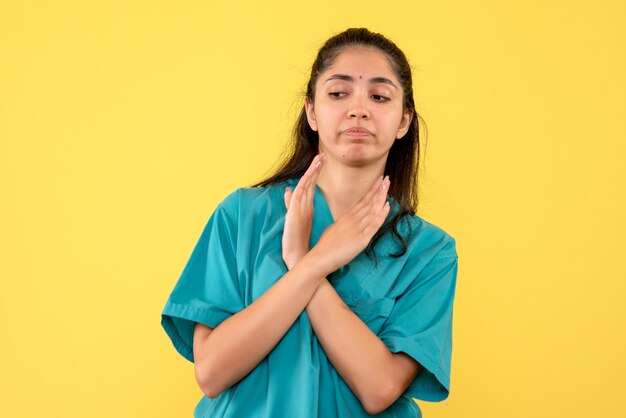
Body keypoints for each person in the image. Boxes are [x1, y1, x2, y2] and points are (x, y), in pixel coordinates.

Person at [161, 27, 459, 417]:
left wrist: (303, 260)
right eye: (338, 93)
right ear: (312, 112)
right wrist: (317, 262)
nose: (358, 108)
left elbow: (380, 388)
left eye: (379, 96)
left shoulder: (429, 251)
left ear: (403, 122)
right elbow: (212, 371)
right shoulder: (242, 215)